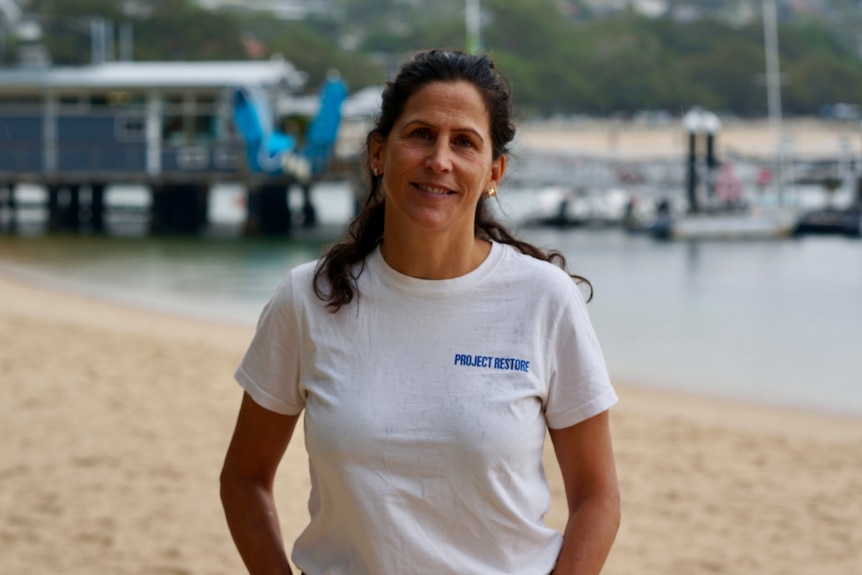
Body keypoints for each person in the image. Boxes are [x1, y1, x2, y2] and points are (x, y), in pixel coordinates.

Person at [220, 49, 620, 575]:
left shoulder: (544, 299)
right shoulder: (308, 299)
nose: (440, 160)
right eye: (420, 134)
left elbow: (597, 496)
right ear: (378, 153)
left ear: (493, 171)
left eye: (464, 143)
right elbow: (244, 479)